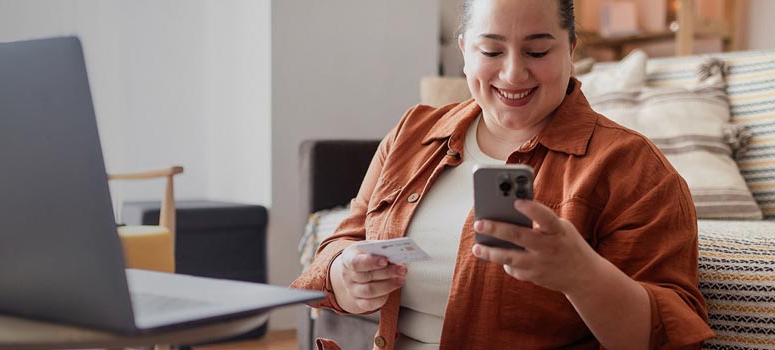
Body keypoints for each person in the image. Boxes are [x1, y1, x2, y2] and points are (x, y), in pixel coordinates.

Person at [289, 0, 714, 349]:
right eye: (491, 51)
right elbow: (343, 239)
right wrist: (345, 274)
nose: (513, 73)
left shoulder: (632, 166)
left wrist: (582, 276)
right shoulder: (412, 133)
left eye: (537, 51)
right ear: (463, 51)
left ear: (571, 50)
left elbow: (667, 336)